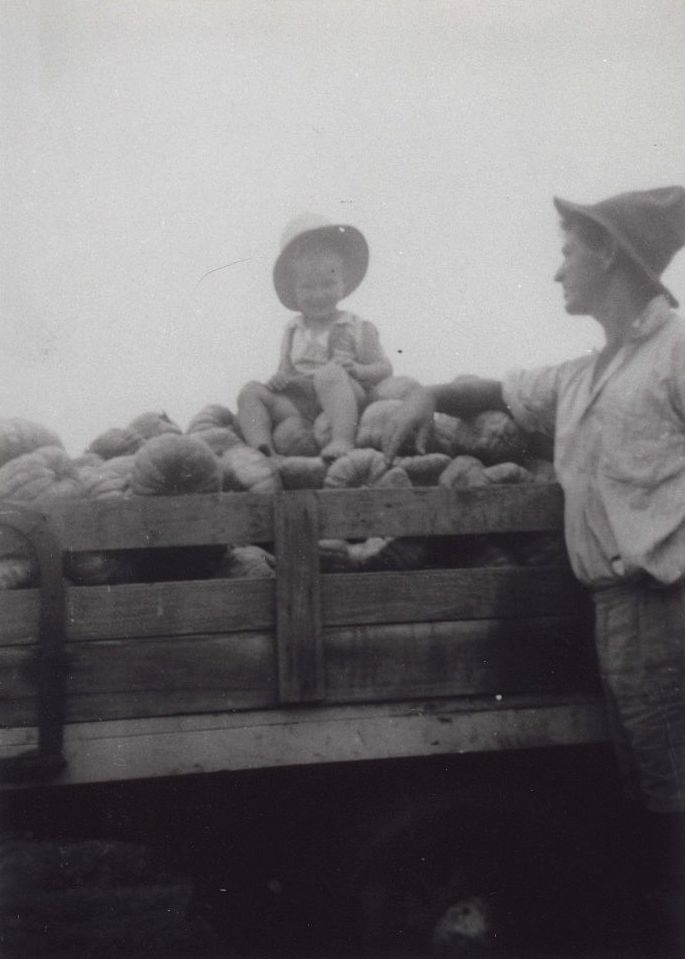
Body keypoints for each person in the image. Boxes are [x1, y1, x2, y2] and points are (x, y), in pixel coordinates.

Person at [382, 186, 685, 953]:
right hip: (619, 615)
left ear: (610, 252)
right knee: (658, 800)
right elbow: (496, 390)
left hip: (669, 604)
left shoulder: (676, 351)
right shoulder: (586, 376)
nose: (557, 273)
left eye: (566, 252)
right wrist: (428, 390)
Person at [237, 214, 393, 461]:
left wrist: (358, 371)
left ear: (343, 284)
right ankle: (263, 451)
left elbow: (385, 369)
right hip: (301, 407)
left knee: (329, 374)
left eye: (328, 284)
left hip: (346, 401)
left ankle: (342, 441)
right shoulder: (292, 331)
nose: (318, 294)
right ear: (294, 292)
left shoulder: (357, 326)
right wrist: (279, 379)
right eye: (308, 287)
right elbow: (286, 371)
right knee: (250, 392)